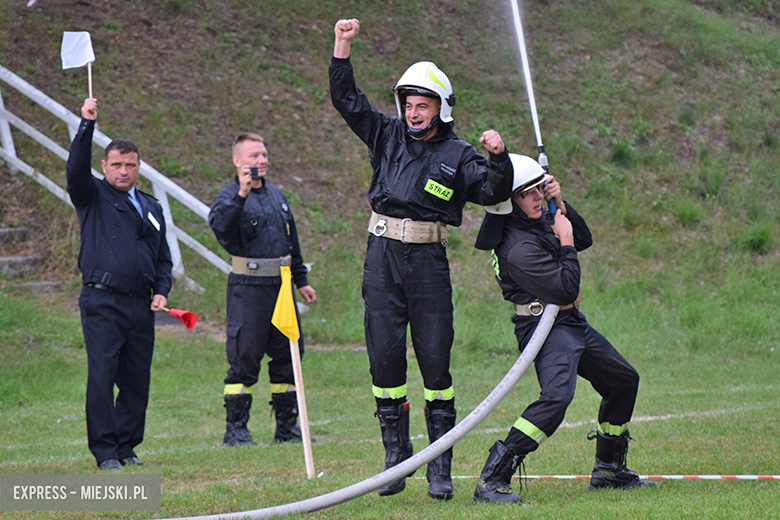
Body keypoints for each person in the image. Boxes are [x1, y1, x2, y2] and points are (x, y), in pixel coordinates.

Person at [330, 18, 514, 500]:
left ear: (441, 107)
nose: (413, 113)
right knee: (385, 361)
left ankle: (439, 466)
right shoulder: (385, 135)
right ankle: (395, 461)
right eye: (408, 104)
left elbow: (494, 189)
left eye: (423, 104)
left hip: (428, 263)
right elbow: (347, 102)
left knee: (435, 362)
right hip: (381, 259)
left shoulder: (460, 153)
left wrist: (498, 156)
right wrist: (342, 48)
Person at [472, 154, 655, 503]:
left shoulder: (533, 220)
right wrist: (565, 241)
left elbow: (582, 239)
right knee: (556, 397)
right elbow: (565, 287)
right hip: (542, 326)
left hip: (568, 322)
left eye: (539, 189)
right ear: (510, 202)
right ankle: (493, 478)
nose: (537, 197)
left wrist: (561, 203)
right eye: (529, 193)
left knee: (622, 381)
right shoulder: (517, 247)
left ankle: (608, 469)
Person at [66, 98, 173, 470]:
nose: (123, 171)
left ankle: (128, 446)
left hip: (141, 306)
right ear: (104, 166)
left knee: (135, 378)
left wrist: (161, 290)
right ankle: (106, 451)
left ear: (139, 167)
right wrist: (86, 126)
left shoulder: (151, 207)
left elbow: (163, 258)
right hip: (102, 302)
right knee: (103, 375)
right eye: (116, 165)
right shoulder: (92, 195)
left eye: (130, 165)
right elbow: (75, 170)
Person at [209, 133, 316, 447]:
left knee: (288, 356)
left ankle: (287, 428)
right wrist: (241, 194)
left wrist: (301, 281)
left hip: (281, 288)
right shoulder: (228, 197)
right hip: (249, 288)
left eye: (264, 155)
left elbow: (291, 242)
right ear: (237, 161)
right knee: (245, 356)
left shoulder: (278, 197)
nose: (262, 161)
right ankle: (236, 430)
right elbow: (222, 230)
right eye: (255, 156)